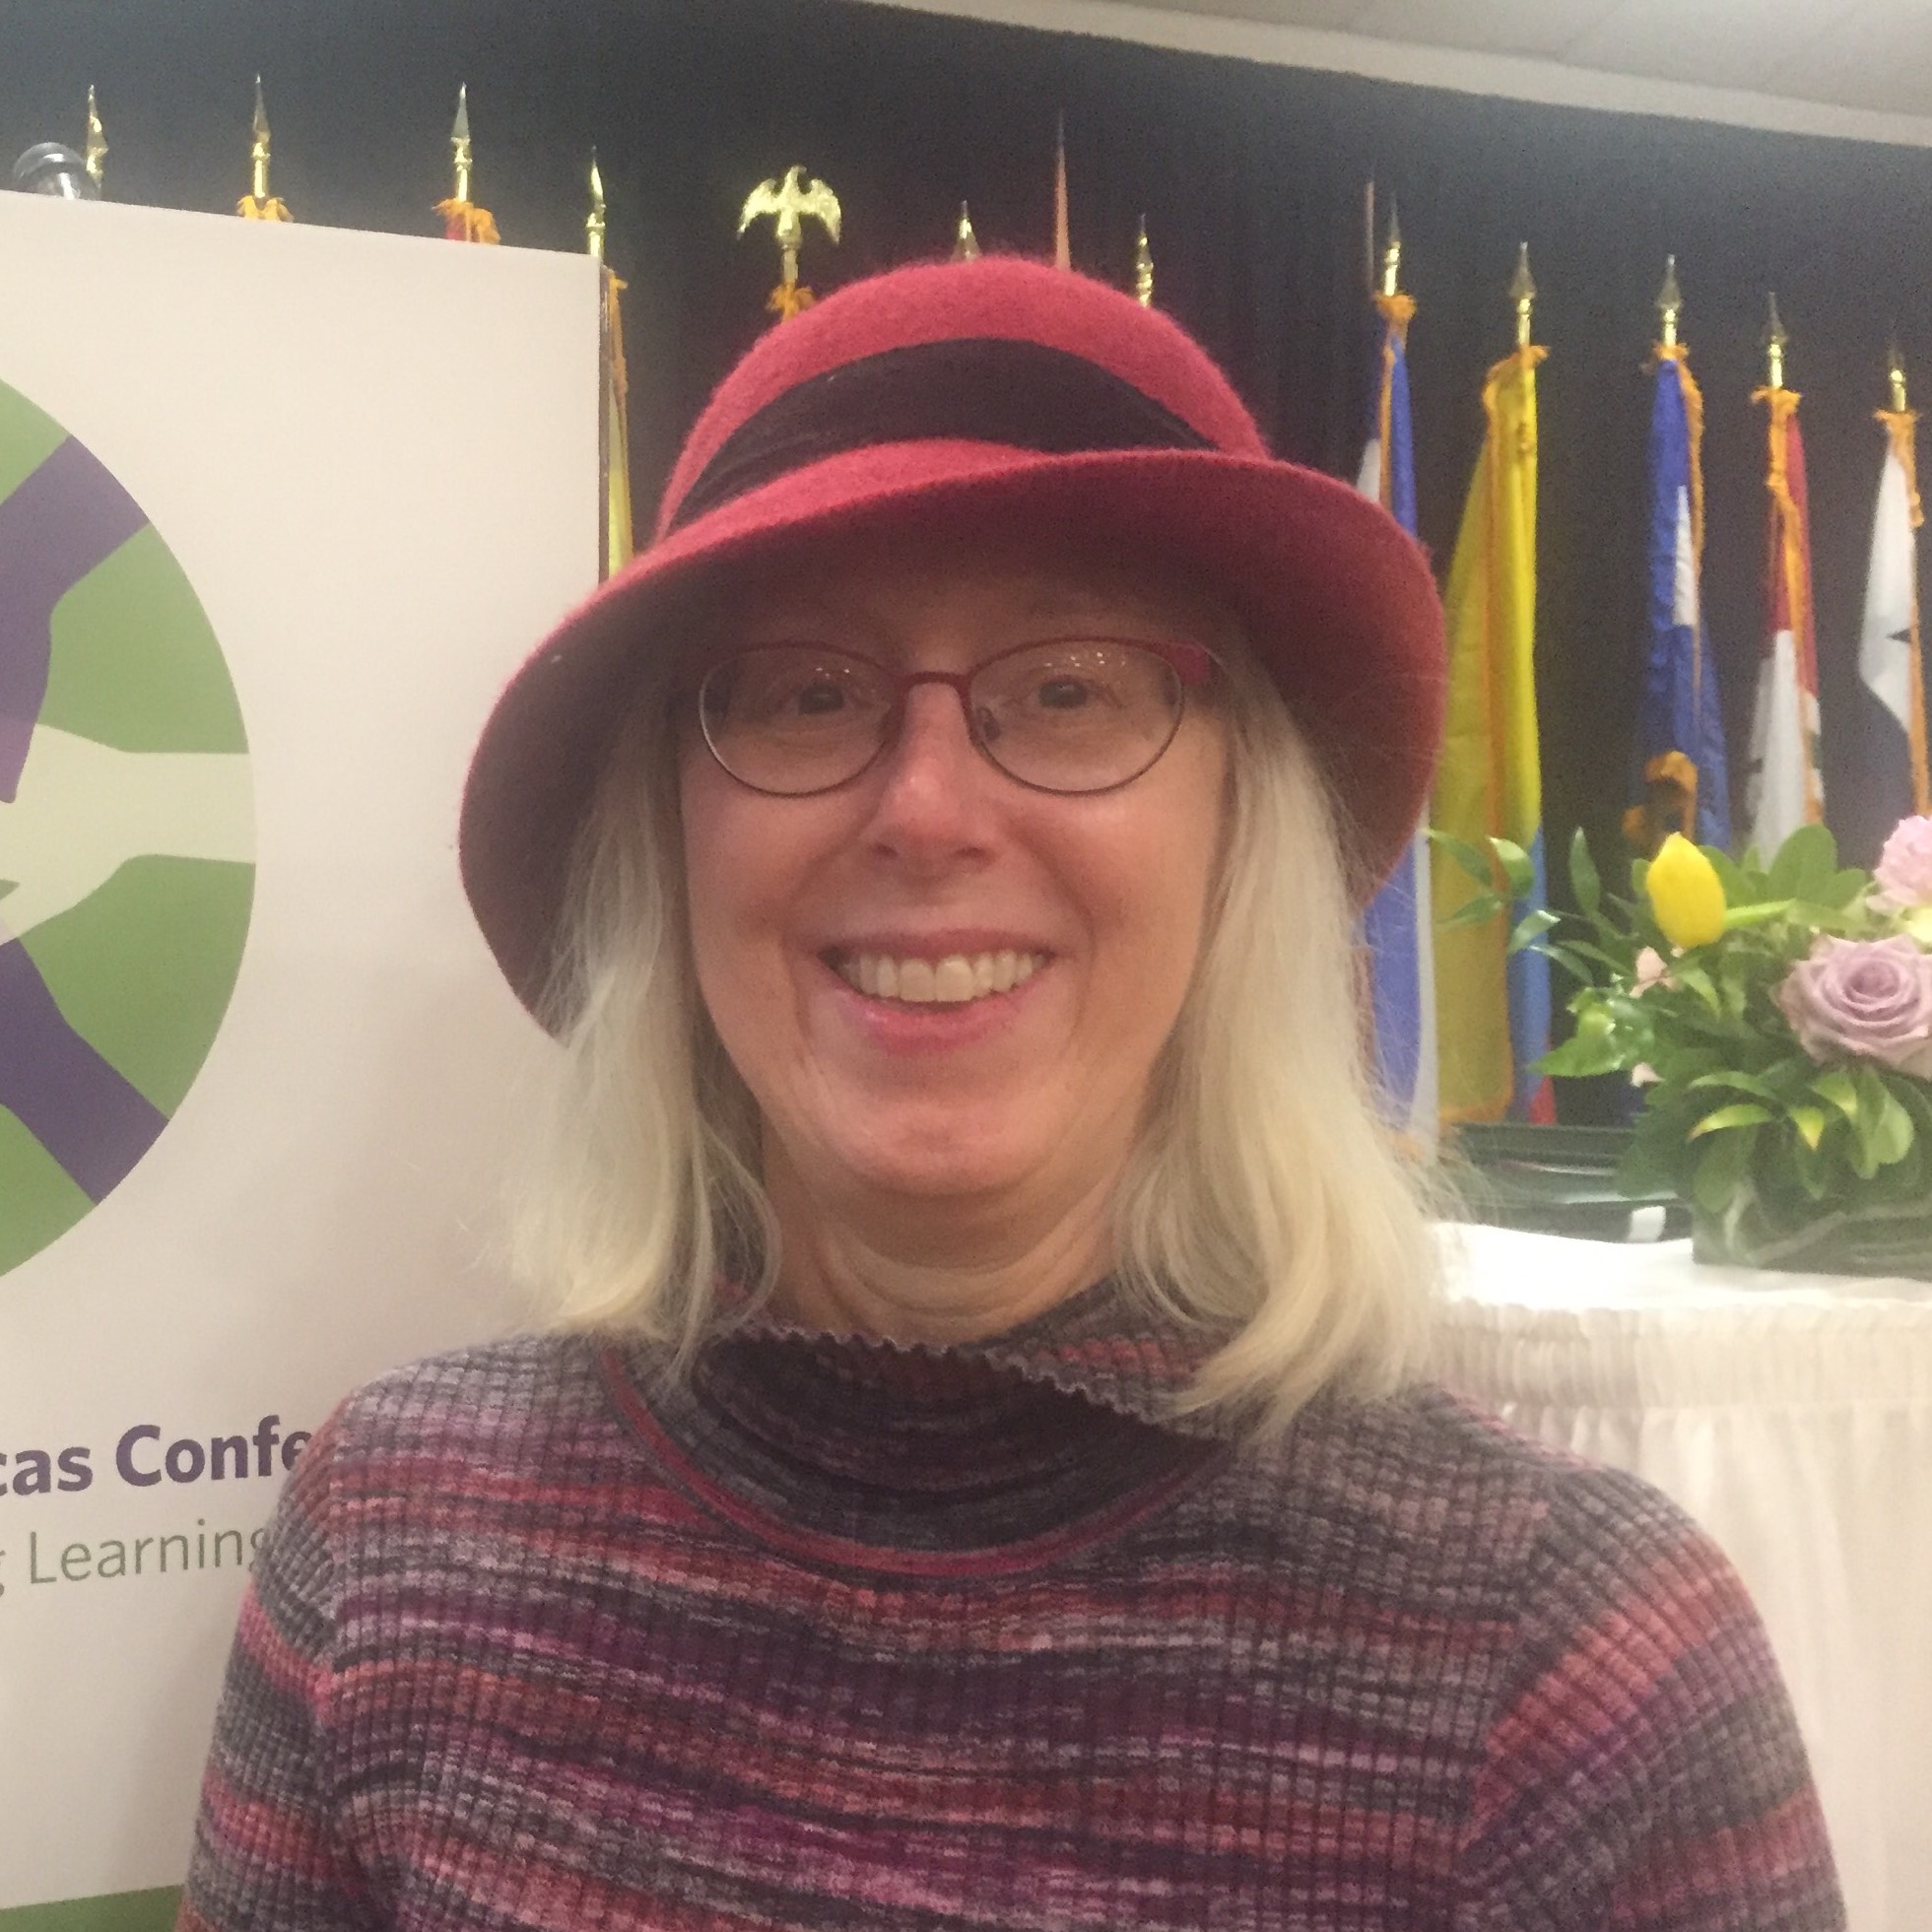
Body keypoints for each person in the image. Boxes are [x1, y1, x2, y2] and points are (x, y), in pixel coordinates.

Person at [179, 255, 1843, 1931]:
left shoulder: (1566, 1669)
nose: (924, 808)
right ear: (666, 845)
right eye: (805, 690)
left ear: (1236, 831)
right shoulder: (391, 1539)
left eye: (1068, 689)